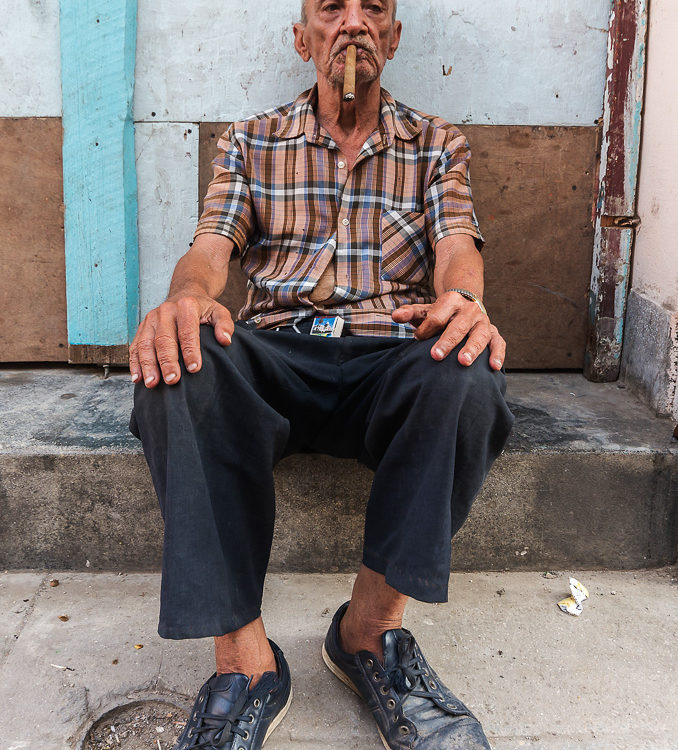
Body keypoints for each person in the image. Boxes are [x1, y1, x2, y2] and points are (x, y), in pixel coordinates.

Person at [129, 1, 515, 747]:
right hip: (278, 348)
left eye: (373, 8)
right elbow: (212, 250)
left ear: (393, 38)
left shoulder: (437, 145)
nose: (352, 23)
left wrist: (463, 300)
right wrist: (186, 299)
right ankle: (244, 664)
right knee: (177, 367)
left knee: (469, 373)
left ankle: (369, 632)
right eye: (330, 8)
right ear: (302, 37)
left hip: (388, 352)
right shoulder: (252, 140)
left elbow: (458, 245)